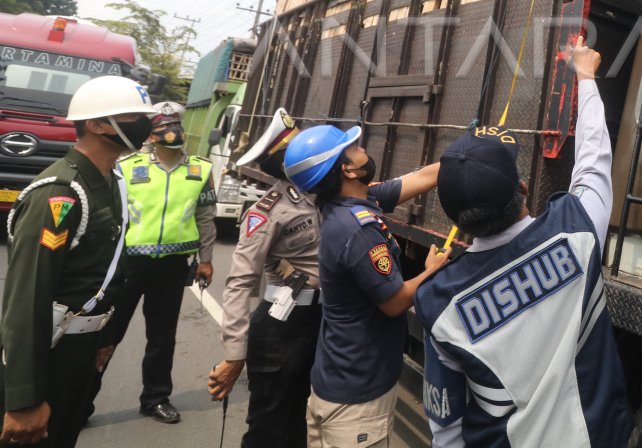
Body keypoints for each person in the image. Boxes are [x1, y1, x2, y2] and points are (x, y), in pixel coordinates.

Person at [416, 36, 632, 447]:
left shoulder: (438, 303)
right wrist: (586, 76)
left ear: (456, 223)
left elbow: (446, 430)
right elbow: (594, 161)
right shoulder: (577, 232)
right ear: (524, 187)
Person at [0, 75, 157, 448]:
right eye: (134, 116)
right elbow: (26, 300)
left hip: (80, 351)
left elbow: (105, 271)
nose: (146, 125)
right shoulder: (60, 193)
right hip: (48, 355)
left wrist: (102, 337)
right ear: (98, 124)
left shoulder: (110, 182)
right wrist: (24, 399)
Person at [283, 124, 448, 448]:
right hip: (355, 402)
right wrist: (431, 271)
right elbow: (395, 302)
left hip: (338, 379)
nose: (361, 147)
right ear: (347, 169)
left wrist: (469, 149)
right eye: (352, 147)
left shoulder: (347, 201)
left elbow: (421, 179)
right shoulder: (356, 230)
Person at [90, 100, 217, 424]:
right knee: (106, 334)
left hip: (173, 265)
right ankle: (82, 399)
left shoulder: (200, 169)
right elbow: (110, 214)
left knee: (162, 337)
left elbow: (205, 218)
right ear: (151, 135)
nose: (172, 133)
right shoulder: (127, 166)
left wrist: (206, 260)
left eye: (175, 126)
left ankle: (155, 398)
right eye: (163, 128)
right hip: (129, 264)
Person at [206, 107, 318, 448]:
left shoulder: (322, 197)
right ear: (289, 161)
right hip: (281, 328)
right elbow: (240, 282)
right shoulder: (267, 212)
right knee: (269, 426)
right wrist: (235, 353)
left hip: (317, 321)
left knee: (298, 420)